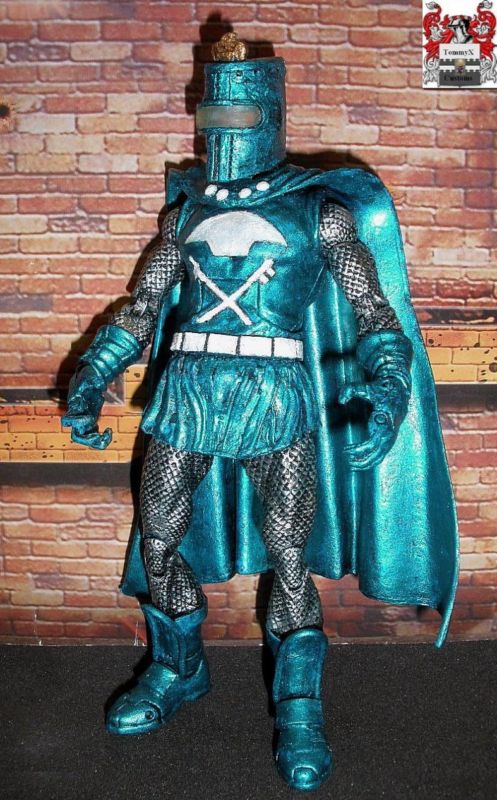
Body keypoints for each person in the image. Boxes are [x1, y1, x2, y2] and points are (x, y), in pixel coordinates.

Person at [62, 33, 458, 792]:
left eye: (235, 111)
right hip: (189, 391)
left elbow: (375, 317)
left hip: (277, 397)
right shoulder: (186, 212)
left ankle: (299, 704)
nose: (220, 127)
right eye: (209, 111)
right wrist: (96, 369)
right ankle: (178, 668)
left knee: (288, 551)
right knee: (161, 536)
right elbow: (142, 308)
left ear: (268, 111)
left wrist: (388, 388)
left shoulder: (321, 212)